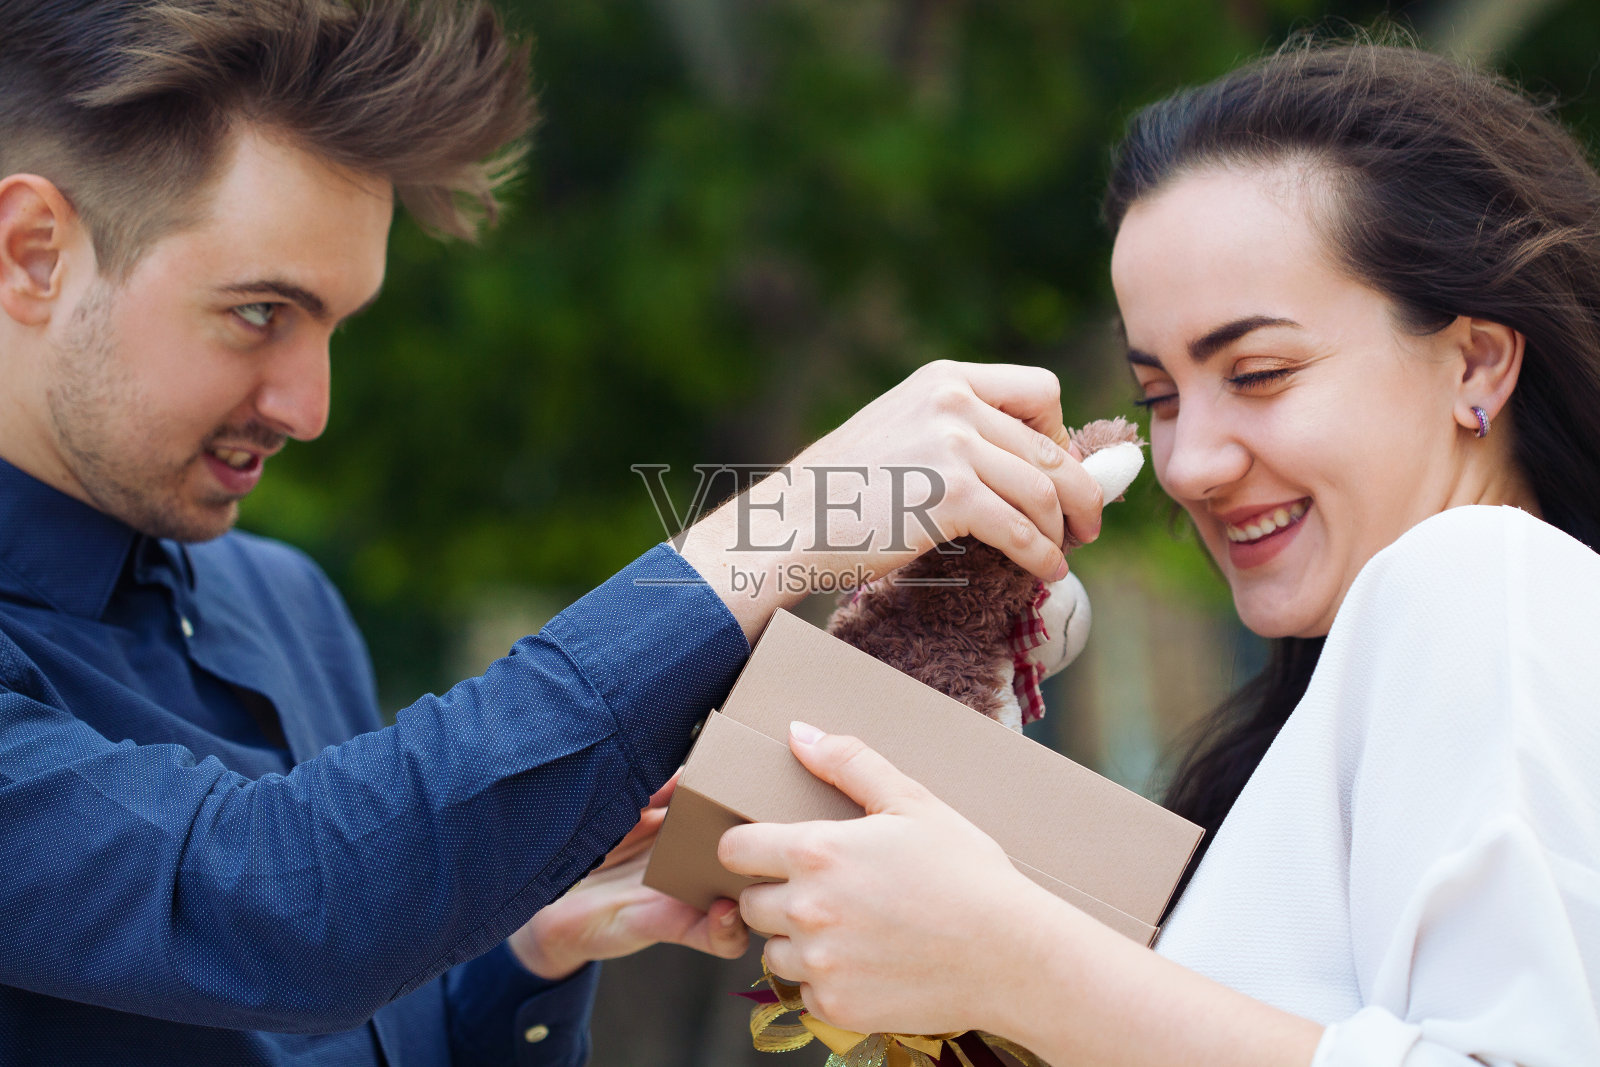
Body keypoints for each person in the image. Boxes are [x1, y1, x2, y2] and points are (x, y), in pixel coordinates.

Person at [0, 1, 1108, 1064]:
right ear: (32, 251)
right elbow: (271, 909)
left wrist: (523, 947)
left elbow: (329, 981)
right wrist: (787, 524)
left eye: (332, 324)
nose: (308, 405)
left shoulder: (285, 605)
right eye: (258, 312)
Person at [720, 40, 1600, 1067]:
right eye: (1159, 395)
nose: (1188, 464)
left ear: (1476, 363)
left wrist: (1014, 961)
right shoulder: (1325, 719)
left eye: (1259, 372)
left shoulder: (1482, 573)